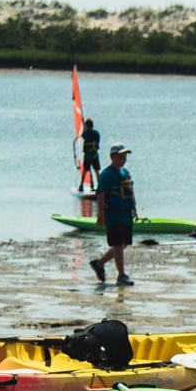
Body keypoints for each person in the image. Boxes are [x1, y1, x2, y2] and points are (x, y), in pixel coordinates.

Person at [89, 143, 138, 285]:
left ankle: (99, 264)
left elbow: (130, 191)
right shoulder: (107, 174)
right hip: (113, 215)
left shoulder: (126, 172)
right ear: (112, 156)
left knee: (123, 245)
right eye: (121, 155)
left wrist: (134, 209)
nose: (123, 158)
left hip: (126, 214)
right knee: (117, 244)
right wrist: (100, 215)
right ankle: (121, 275)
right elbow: (101, 195)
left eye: (125, 156)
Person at [77, 118, 101, 190]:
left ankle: (81, 185)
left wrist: (84, 129)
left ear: (87, 126)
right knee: (96, 170)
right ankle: (99, 185)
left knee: (85, 170)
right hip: (95, 154)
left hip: (88, 155)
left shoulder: (86, 133)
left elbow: (83, 136)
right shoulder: (97, 133)